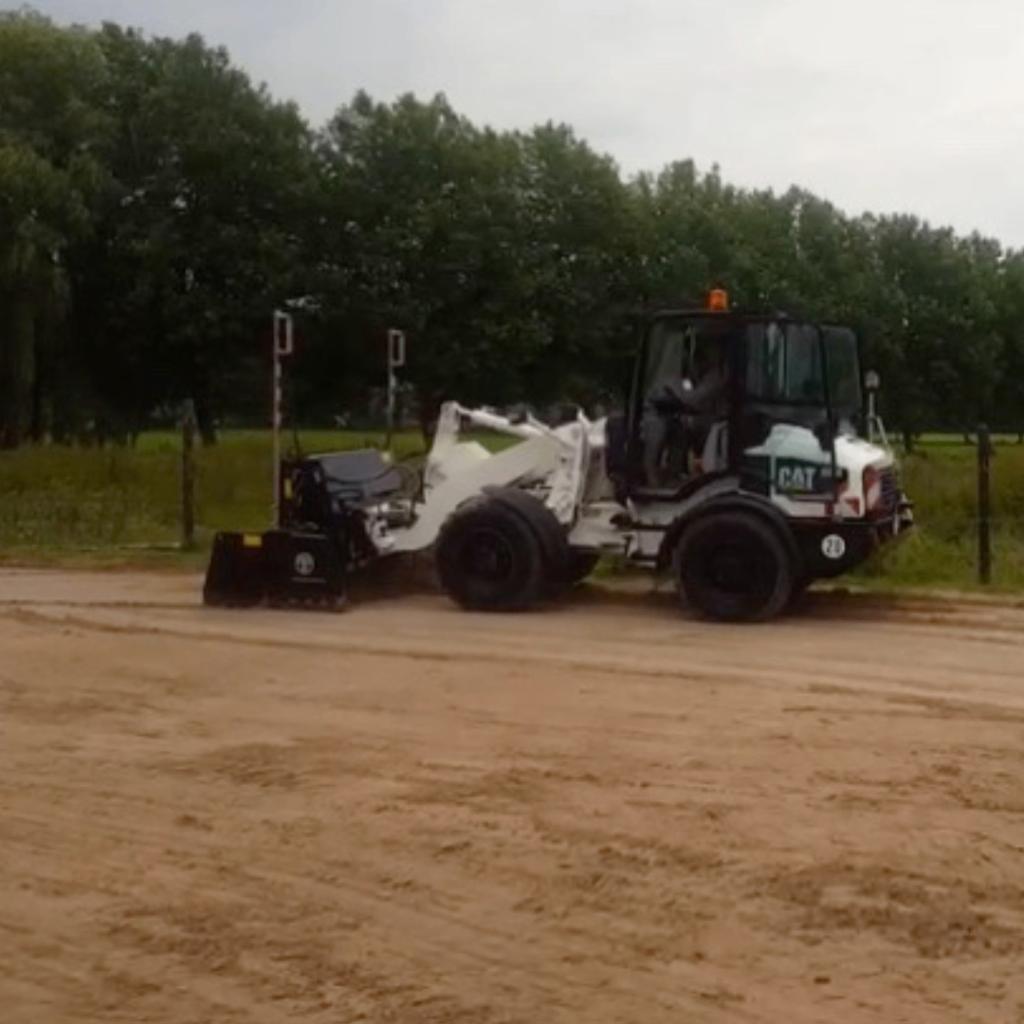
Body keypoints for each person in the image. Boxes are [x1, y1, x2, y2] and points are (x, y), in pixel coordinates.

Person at [643, 344, 729, 487]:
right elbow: (689, 400)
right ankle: (657, 476)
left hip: (691, 418)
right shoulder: (678, 377)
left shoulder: (709, 377)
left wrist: (674, 389)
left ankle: (668, 474)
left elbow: (691, 401)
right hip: (664, 414)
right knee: (664, 431)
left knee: (676, 431)